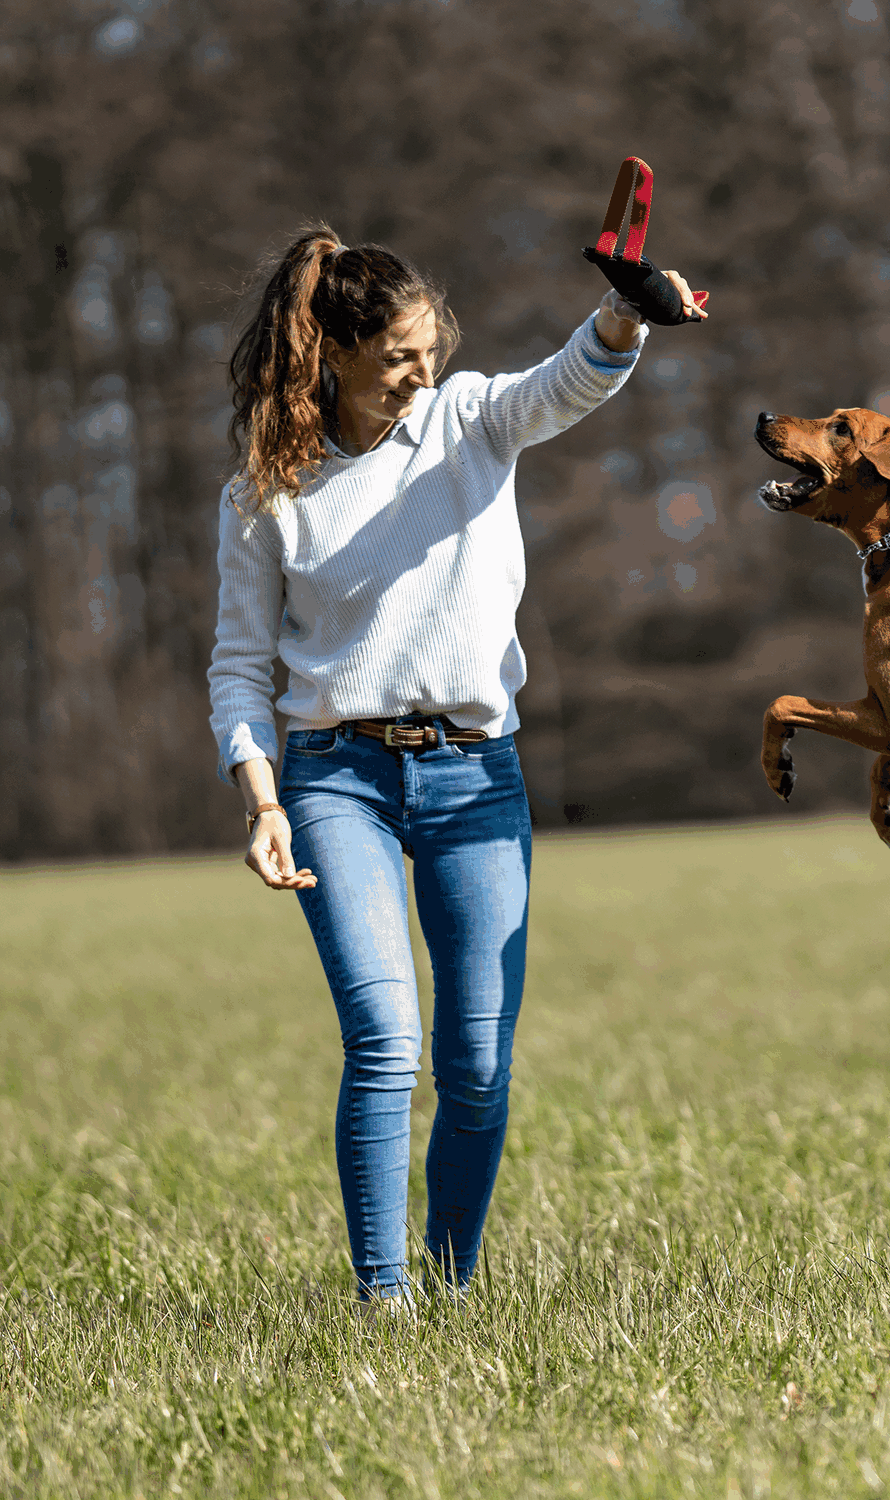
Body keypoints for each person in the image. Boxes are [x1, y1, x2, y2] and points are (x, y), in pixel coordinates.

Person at [207, 224, 705, 1308]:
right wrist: (260, 800)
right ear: (330, 355)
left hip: (475, 777)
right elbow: (240, 667)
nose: (420, 373)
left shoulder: (467, 417)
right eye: (397, 357)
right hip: (335, 780)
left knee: (475, 1064)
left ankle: (450, 1284)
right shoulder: (265, 490)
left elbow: (566, 384)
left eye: (430, 349)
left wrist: (626, 312)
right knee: (386, 1039)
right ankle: (384, 1300)